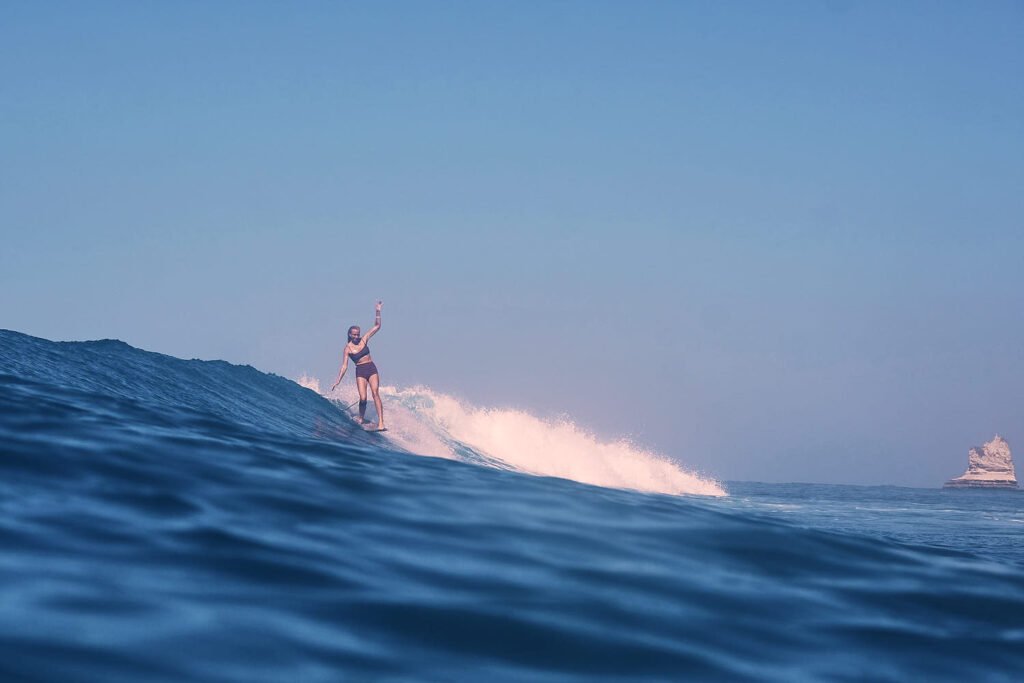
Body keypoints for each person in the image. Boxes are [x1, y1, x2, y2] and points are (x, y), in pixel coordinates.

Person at [331, 301, 386, 431]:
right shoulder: (347, 349)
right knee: (363, 398)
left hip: (371, 368)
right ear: (350, 334)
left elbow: (377, 326)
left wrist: (378, 311)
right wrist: (338, 380)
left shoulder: (364, 339)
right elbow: (344, 366)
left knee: (375, 393)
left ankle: (381, 423)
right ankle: (361, 417)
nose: (356, 336)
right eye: (354, 334)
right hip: (360, 371)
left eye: (358, 334)